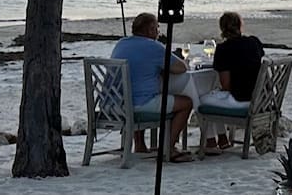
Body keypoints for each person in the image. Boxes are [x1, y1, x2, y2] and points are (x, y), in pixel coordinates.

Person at [112, 12, 193, 161]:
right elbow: (181, 68)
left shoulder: (121, 43)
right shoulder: (153, 46)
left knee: (141, 90)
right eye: (157, 28)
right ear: (150, 30)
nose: (158, 32)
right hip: (139, 105)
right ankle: (168, 148)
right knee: (186, 103)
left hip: (116, 105)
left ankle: (140, 144)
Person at [198, 11, 266, 149]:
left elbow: (226, 85)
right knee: (216, 95)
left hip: (241, 101)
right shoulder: (254, 42)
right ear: (240, 25)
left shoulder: (223, 49)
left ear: (222, 29)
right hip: (260, 99)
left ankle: (211, 141)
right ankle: (222, 139)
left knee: (200, 99)